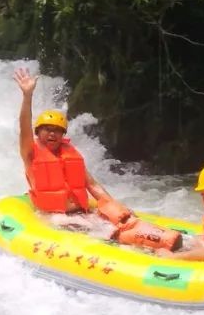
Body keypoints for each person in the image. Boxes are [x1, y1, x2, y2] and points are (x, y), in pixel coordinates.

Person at [14, 68, 180, 250]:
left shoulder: (70, 155)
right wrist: (27, 95)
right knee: (111, 236)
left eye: (57, 130)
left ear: (63, 135)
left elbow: (93, 186)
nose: (52, 133)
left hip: (83, 213)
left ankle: (172, 241)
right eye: (47, 129)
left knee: (123, 222)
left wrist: (115, 208)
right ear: (38, 132)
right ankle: (157, 245)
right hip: (56, 218)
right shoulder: (31, 153)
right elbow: (24, 129)